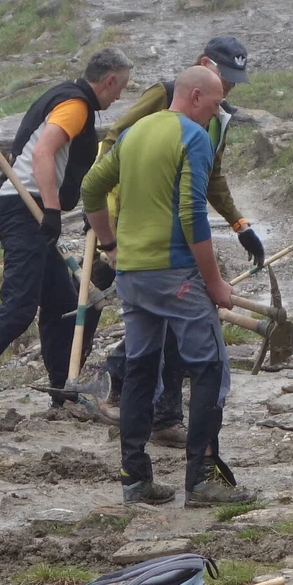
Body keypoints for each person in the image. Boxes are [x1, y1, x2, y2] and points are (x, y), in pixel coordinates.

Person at [0, 48, 134, 435]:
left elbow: (35, 151)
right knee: (19, 306)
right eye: (121, 87)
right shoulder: (75, 105)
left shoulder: (64, 97)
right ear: (108, 80)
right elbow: (43, 153)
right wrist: (54, 210)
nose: (120, 97)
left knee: (70, 301)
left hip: (29, 206)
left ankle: (64, 389)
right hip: (22, 206)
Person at [82, 66, 255, 508]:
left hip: (133, 275)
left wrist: (110, 244)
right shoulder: (193, 137)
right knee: (210, 366)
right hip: (175, 272)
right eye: (215, 104)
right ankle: (201, 479)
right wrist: (214, 282)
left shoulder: (136, 132)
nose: (216, 113)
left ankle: (135, 478)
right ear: (195, 96)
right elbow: (191, 214)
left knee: (141, 367)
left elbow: (91, 187)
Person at [98, 36, 265, 444]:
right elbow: (113, 144)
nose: (226, 91)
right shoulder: (164, 95)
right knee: (167, 330)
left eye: (233, 83)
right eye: (224, 79)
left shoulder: (217, 115)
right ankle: (140, 402)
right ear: (205, 66)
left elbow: (213, 178)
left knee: (167, 327)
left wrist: (240, 224)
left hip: (178, 237)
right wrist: (110, 229)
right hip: (145, 230)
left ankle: (161, 417)